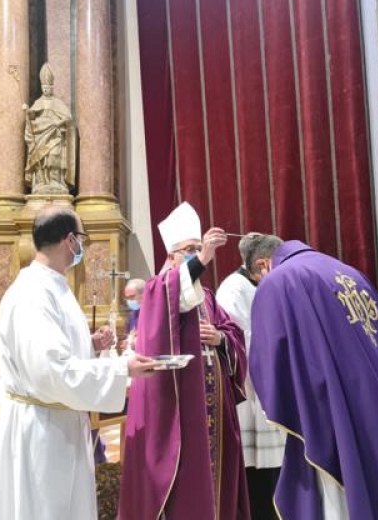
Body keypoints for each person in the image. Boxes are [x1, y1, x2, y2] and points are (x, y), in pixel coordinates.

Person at [247, 236, 378, 519]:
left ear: (263, 264)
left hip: (344, 409)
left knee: (347, 498)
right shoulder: (347, 271)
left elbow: (270, 355)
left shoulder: (280, 279)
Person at [0, 206, 158, 520]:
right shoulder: (33, 293)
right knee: (46, 509)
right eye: (82, 239)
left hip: (60, 420)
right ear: (69, 241)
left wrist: (89, 344)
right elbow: (50, 371)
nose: (83, 247)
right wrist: (121, 368)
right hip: (42, 428)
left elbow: (53, 353)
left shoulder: (55, 286)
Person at [119, 202, 250, 520]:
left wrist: (220, 339)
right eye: (188, 249)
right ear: (170, 256)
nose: (195, 253)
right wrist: (204, 257)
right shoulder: (155, 290)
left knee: (218, 481)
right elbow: (174, 295)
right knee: (189, 490)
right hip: (180, 411)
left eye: (197, 248)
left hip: (215, 407)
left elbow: (232, 331)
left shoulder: (205, 294)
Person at [216, 234, 285, 520]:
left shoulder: (259, 284)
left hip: (270, 385)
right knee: (257, 470)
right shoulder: (233, 289)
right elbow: (238, 339)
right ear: (261, 263)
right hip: (251, 391)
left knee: (273, 468)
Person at [24, 63, 76, 194]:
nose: (47, 90)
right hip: (41, 136)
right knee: (41, 158)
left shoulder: (58, 103)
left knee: (54, 157)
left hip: (55, 136)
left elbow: (68, 118)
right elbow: (32, 117)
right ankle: (41, 182)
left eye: (49, 87)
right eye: (45, 88)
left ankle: (56, 182)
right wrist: (28, 113)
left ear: (53, 87)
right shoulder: (38, 103)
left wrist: (60, 122)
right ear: (42, 88)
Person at [121, 278, 145, 352]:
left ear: (144, 294)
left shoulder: (153, 314)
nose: (129, 301)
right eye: (127, 298)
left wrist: (136, 343)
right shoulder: (132, 315)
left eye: (132, 297)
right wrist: (126, 343)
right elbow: (128, 335)